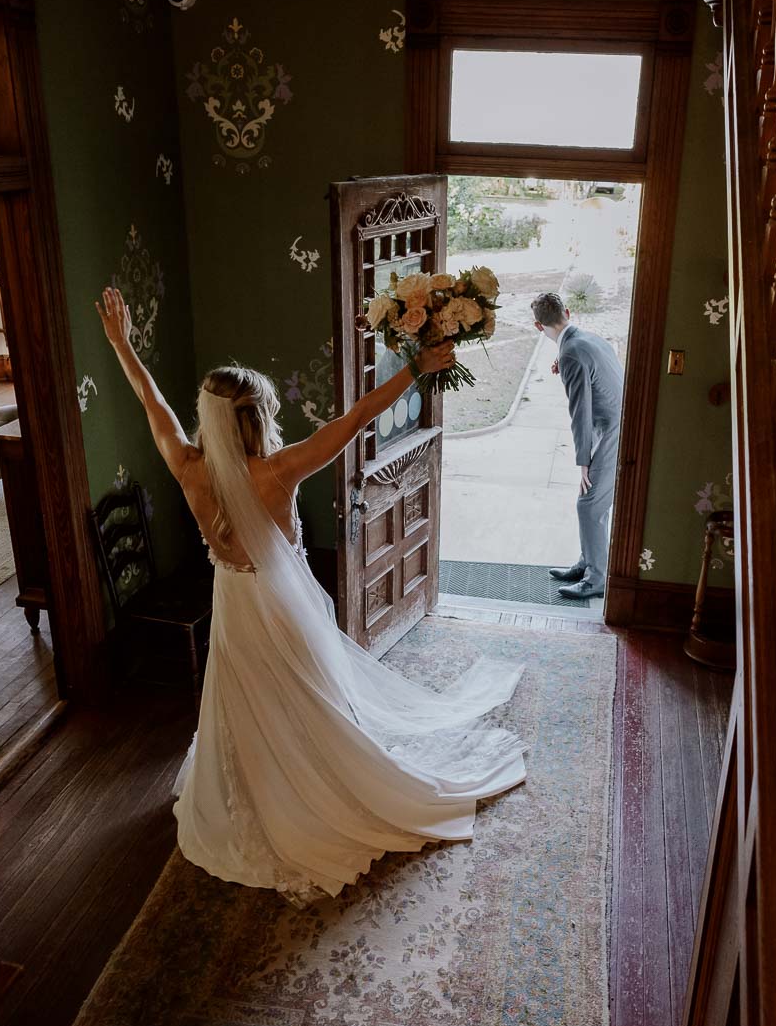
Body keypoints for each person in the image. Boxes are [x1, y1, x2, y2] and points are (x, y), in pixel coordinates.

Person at [96, 286, 528, 906]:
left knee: (247, 700)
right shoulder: (280, 469)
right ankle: (321, 791)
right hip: (286, 611)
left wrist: (121, 343)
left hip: (235, 609)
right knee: (311, 699)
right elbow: (356, 419)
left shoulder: (188, 468)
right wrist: (415, 367)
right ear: (259, 417)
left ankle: (267, 795)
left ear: (211, 420)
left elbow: (151, 402)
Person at [531, 292, 624, 600]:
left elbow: (580, 413)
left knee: (590, 505)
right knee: (591, 503)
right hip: (616, 421)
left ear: (537, 326)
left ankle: (596, 578)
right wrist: (564, 358)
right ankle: (588, 563)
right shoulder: (587, 339)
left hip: (609, 430)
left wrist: (583, 460)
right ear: (567, 312)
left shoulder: (571, 352)